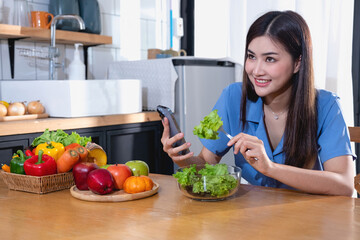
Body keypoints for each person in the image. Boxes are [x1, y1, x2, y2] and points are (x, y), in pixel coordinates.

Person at [161, 10, 355, 196]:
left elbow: (344, 185)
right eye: (251, 56)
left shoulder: (326, 106)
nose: (256, 70)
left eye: (270, 59)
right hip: (255, 217)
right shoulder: (233, 97)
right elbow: (206, 163)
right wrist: (183, 157)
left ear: (298, 63)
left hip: (311, 218)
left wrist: (270, 168)